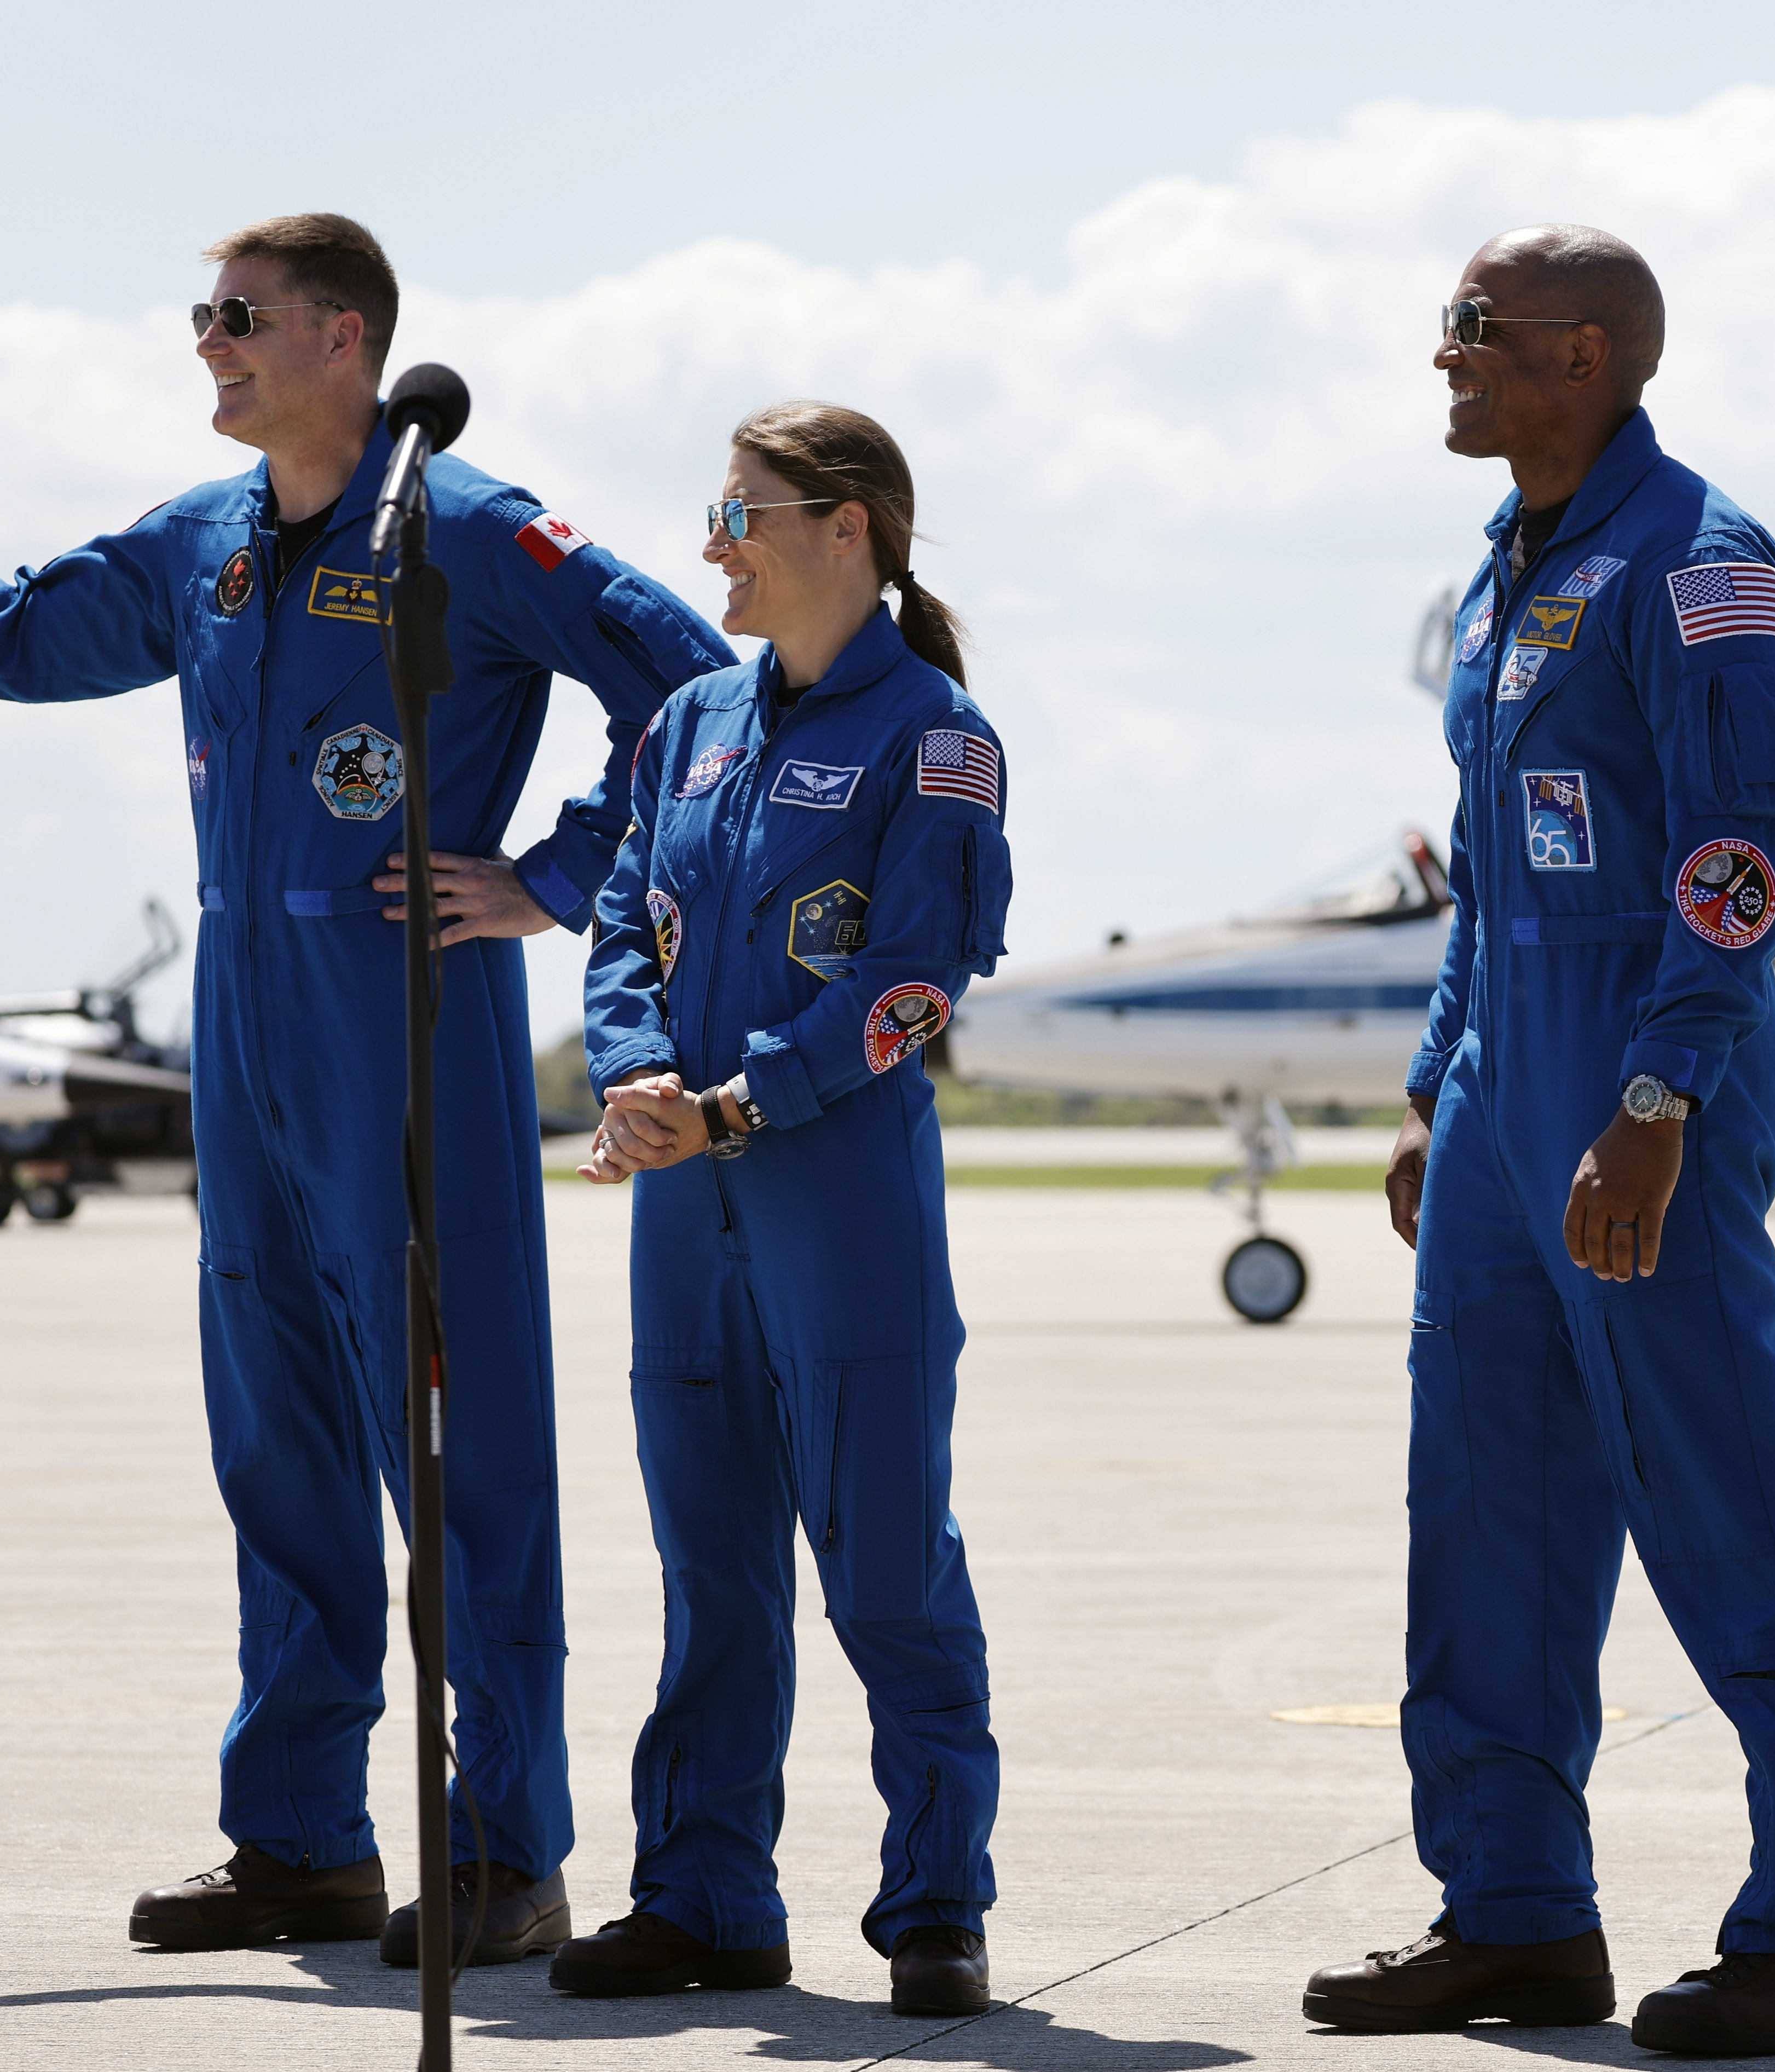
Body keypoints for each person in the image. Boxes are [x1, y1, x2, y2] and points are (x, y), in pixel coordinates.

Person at [0, 213, 732, 1967]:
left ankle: (505, 1846)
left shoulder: (470, 530)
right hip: (246, 1017)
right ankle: (302, 1842)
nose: (208, 345)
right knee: (278, 1431)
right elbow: (17, 634)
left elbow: (697, 692)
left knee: (457, 1436)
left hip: (407, 1005)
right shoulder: (206, 542)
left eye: (238, 317)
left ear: (346, 338)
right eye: (202, 314)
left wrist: (552, 878)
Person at [1301, 225, 1775, 2058]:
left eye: (1473, 327)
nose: (1444, 355)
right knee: (1484, 1507)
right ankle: (1515, 1913)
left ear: (1590, 354)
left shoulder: (1701, 566)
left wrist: (1654, 1102)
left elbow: (1734, 862)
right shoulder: (1507, 569)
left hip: (1647, 1084)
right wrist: (1433, 1084)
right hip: (1501, 1099)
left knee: (1722, 1493)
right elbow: (1489, 872)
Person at [563, 401, 1010, 2019]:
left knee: (885, 1563)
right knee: (713, 1573)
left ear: (849, 527)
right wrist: (629, 1076)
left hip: (838, 1199)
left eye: (739, 513)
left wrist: (738, 1102)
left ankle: (937, 1901)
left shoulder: (936, 736)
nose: (711, 546)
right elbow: (624, 917)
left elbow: (913, 982)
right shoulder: (687, 723)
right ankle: (702, 1893)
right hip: (684, 1210)